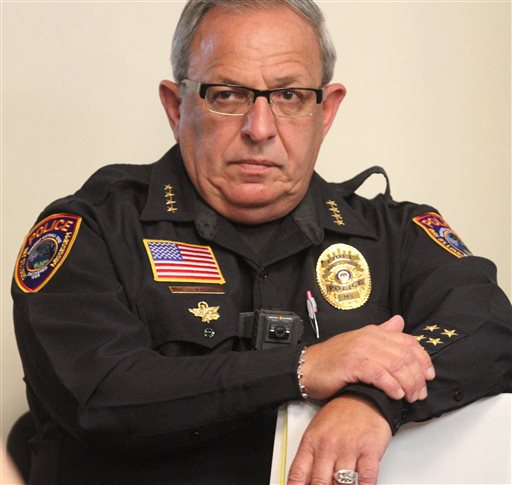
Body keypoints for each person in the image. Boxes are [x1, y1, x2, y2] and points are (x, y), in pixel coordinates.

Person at [11, 1, 511, 484]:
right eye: (227, 94)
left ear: (327, 110)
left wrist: (372, 400)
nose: (260, 129)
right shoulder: (91, 230)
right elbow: (101, 397)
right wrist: (303, 369)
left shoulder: (394, 233)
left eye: (290, 96)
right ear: (175, 105)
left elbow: (488, 329)